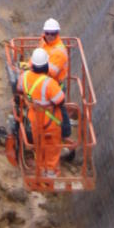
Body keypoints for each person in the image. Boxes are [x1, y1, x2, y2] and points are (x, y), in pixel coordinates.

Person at [18, 45, 72, 178]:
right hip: (50, 120)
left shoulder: (23, 77)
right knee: (52, 146)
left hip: (34, 117)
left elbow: (20, 90)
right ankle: (51, 172)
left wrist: (31, 99)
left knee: (39, 142)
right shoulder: (49, 83)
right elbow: (60, 100)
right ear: (46, 65)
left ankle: (40, 168)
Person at [40, 18, 68, 83]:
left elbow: (52, 73)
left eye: (53, 33)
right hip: (43, 78)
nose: (49, 36)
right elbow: (37, 56)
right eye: (47, 33)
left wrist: (32, 67)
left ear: (57, 33)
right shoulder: (44, 42)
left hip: (54, 84)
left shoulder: (59, 52)